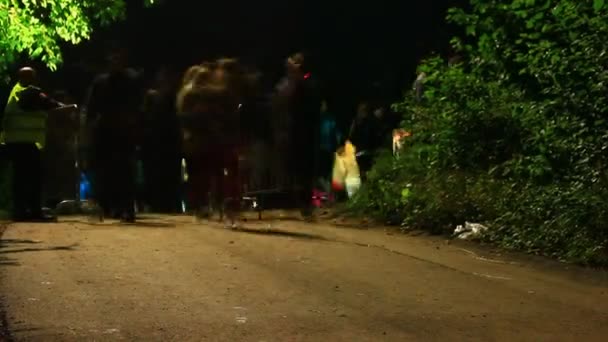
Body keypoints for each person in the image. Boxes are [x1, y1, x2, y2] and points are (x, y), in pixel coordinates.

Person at [1, 67, 72, 221]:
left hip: (17, 141)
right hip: (25, 142)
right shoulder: (27, 91)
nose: (35, 80)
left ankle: (22, 211)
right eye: (32, 77)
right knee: (32, 178)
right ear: (25, 77)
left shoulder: (17, 90)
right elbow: (45, 102)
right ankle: (32, 212)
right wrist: (64, 107)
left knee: (22, 178)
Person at [84, 47, 144, 223]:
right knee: (108, 170)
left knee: (124, 170)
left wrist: (136, 126)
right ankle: (111, 206)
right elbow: (92, 107)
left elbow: (138, 106)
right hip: (106, 131)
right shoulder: (102, 82)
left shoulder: (130, 80)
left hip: (123, 131)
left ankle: (125, 207)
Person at [272, 52, 322, 219]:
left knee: (305, 171)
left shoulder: (309, 83)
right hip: (288, 133)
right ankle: (293, 202)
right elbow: (278, 107)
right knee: (290, 170)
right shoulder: (285, 85)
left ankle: (305, 205)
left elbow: (314, 108)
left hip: (305, 133)